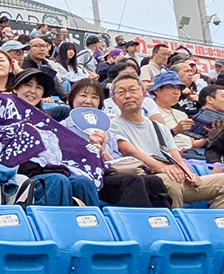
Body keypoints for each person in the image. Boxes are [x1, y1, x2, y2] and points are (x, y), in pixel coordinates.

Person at [109, 73, 224, 208]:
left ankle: (214, 225)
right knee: (172, 182)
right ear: (114, 99)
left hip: (171, 174)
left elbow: (175, 155)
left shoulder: (159, 128)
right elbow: (128, 150)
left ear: (144, 94)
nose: (128, 96)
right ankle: (174, 225)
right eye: (121, 92)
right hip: (147, 177)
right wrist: (162, 168)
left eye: (133, 90)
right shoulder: (112, 126)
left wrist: (188, 173)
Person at [63, 78, 170, 207]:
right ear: (72, 99)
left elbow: (115, 163)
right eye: (83, 95)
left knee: (154, 182)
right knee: (133, 182)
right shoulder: (62, 128)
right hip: (83, 179)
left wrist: (103, 152)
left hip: (107, 177)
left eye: (94, 97)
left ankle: (160, 222)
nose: (88, 101)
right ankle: (137, 223)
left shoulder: (105, 129)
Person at [7, 68, 100, 206]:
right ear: (15, 89)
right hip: (24, 171)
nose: (33, 91)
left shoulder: (47, 122)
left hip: (53, 168)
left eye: (38, 88)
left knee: (83, 182)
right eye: (28, 85)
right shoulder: (5, 110)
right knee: (58, 181)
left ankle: (92, 225)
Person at [150, 70, 205, 152]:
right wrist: (175, 131)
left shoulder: (182, 115)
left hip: (191, 154)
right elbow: (152, 142)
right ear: (156, 90)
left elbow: (192, 143)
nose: (176, 92)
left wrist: (211, 136)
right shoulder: (151, 112)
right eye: (170, 88)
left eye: (178, 89)